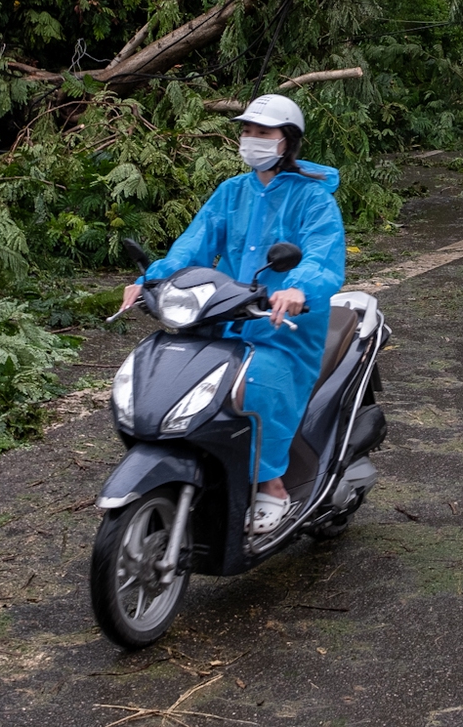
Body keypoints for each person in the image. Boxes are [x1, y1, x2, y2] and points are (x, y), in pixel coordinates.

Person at [123, 94, 345, 538]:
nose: (251, 140)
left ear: (287, 142)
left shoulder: (313, 199)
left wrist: (298, 288)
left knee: (257, 383)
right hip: (223, 315)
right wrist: (151, 278)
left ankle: (272, 485)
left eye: (262, 133)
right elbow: (194, 244)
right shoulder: (232, 192)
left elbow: (322, 255)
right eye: (246, 131)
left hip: (283, 325)